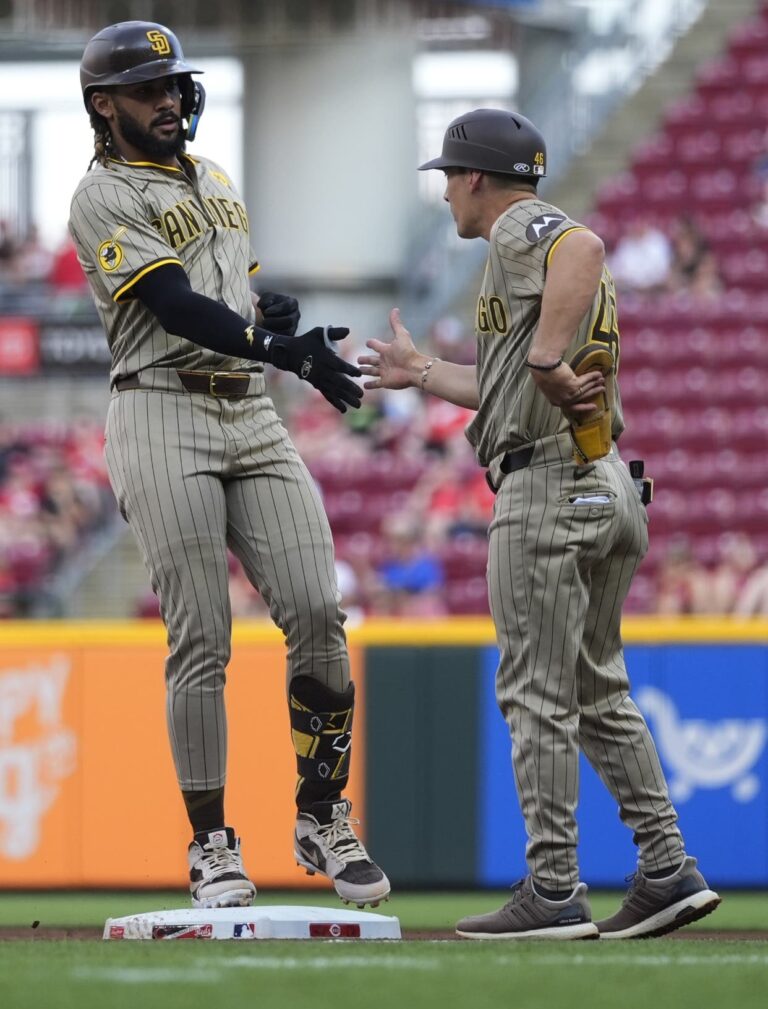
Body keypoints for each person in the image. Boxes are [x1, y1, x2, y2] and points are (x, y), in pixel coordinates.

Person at [359, 108, 720, 939]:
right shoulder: (521, 260)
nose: (445, 191)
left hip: (548, 484)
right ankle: (666, 866)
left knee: (535, 692)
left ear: (477, 178)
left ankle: (554, 884)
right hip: (604, 481)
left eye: (448, 175)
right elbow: (511, 379)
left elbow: (582, 250)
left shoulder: (521, 227)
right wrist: (423, 372)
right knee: (597, 688)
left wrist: (546, 360)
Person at [68, 21, 388, 911]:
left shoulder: (213, 178)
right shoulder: (99, 195)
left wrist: (267, 309)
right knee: (202, 634)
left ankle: (322, 813)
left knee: (320, 611)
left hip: (248, 411)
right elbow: (170, 305)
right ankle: (211, 842)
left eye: (173, 84)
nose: (168, 99)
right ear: (106, 106)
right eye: (147, 89)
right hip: (160, 404)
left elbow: (226, 291)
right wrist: (284, 346)